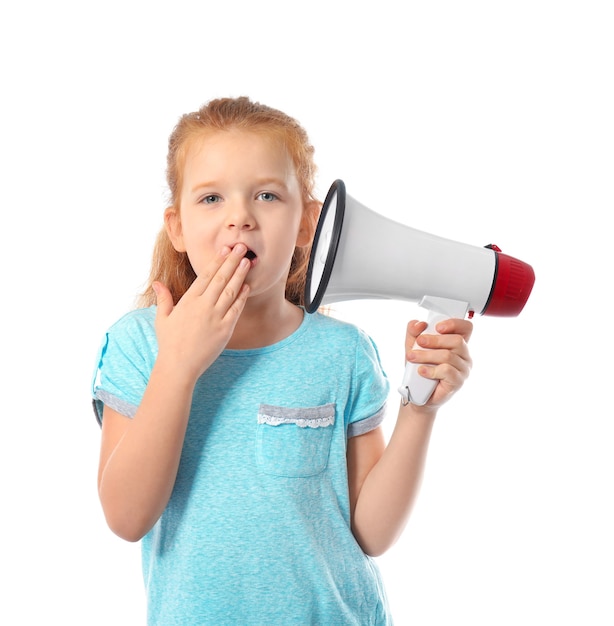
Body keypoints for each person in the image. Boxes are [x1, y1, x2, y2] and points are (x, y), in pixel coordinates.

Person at [91, 96, 473, 625]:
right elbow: (127, 516)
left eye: (267, 195)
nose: (240, 218)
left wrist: (420, 408)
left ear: (305, 223)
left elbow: (373, 533)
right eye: (211, 199)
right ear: (176, 228)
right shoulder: (141, 344)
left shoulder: (342, 353)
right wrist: (178, 365)